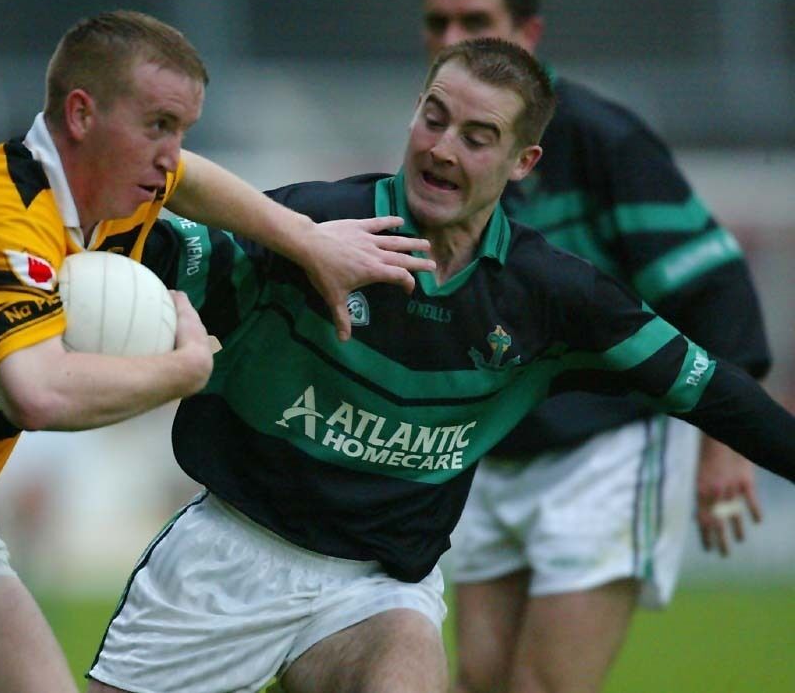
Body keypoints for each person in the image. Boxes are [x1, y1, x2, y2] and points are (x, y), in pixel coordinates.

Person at [0, 10, 435, 693]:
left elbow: (193, 180)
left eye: (181, 129)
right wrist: (183, 369)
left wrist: (307, 240)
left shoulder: (114, 189)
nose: (171, 154)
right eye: (158, 125)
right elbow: (38, 392)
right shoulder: (1, 220)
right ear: (83, 114)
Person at [84, 37, 795, 693]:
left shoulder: (552, 297)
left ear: (523, 163)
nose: (441, 148)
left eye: (477, 137)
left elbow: (708, 389)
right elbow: (155, 243)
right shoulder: (314, 229)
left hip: (375, 591)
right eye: (434, 118)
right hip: (225, 561)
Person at [419, 0, 771, 692]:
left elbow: (715, 285)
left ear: (530, 33)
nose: (455, 40)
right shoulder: (437, 148)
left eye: (475, 19)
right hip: (497, 446)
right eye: (439, 22)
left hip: (610, 445)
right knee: (477, 682)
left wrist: (726, 445)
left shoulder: (604, 139)